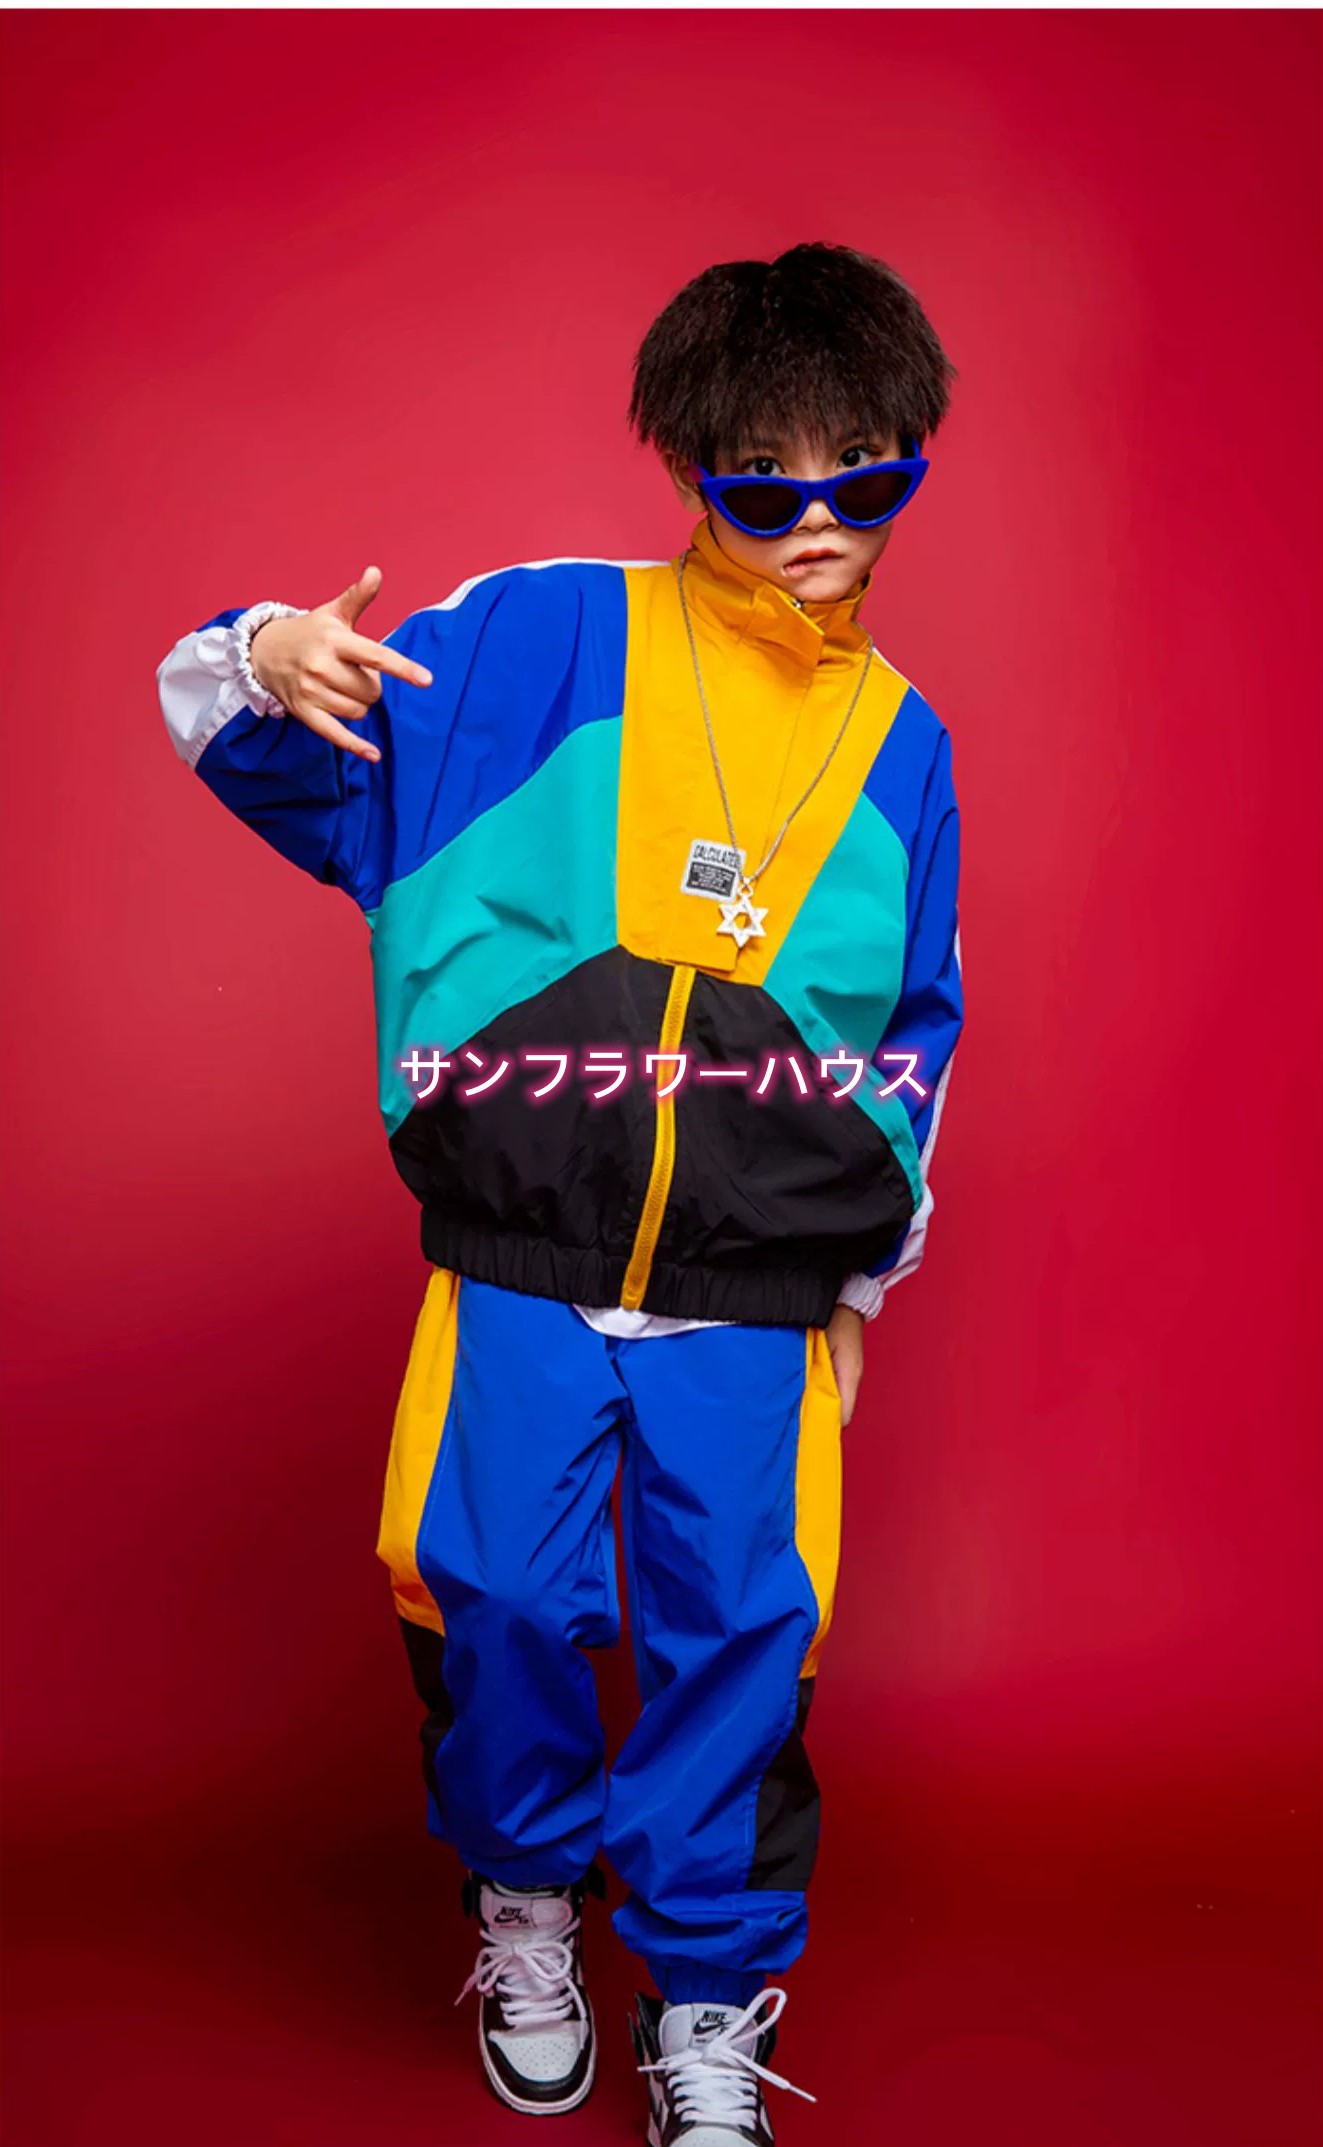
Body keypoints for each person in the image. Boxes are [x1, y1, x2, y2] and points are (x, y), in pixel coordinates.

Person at [156, 241, 964, 2143]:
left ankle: (706, 1997)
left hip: (756, 1293)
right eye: (767, 486)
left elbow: (916, 1033)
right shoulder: (536, 647)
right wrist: (257, 657)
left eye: (869, 479)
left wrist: (860, 1288)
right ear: (689, 469)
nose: (820, 523)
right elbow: (291, 767)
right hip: (518, 1259)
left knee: (740, 1642)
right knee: (492, 1596)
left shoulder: (905, 746)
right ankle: (524, 1902)